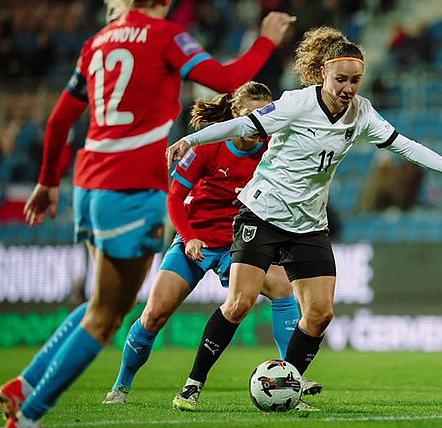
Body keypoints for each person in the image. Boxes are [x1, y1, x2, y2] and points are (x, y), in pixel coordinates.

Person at [166, 26, 442, 410]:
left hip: (308, 224)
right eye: (341, 79)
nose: (349, 88)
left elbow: (406, 145)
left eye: (355, 80)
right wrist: (192, 139)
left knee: (321, 315)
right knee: (239, 303)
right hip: (264, 212)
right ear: (323, 73)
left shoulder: (362, 112)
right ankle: (192, 385)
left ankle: (285, 385)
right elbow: (244, 125)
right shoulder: (295, 103)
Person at [0, 1, 295, 426]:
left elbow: (61, 118)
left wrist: (47, 180)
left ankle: (24, 385)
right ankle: (30, 415)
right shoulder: (165, 36)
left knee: (103, 304)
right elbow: (226, 78)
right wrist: (267, 37)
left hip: (90, 183)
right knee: (114, 317)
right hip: (133, 187)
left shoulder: (97, 41)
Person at [98, 82, 307, 410]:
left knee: (282, 288)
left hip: (241, 244)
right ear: (236, 114)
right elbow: (176, 197)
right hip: (195, 240)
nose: (259, 123)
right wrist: (190, 236)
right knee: (154, 315)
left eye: (265, 115)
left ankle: (294, 377)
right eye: (252, 115)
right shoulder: (210, 146)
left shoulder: (272, 148)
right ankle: (121, 385)